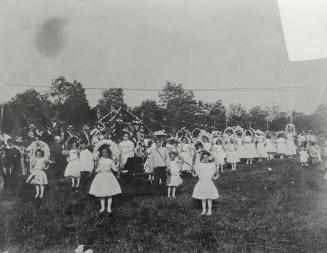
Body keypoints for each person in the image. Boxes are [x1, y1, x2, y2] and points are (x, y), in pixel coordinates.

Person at [89, 145, 121, 213]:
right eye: (103, 152)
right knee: (101, 193)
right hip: (100, 177)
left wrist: (117, 166)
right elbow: (96, 171)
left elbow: (115, 170)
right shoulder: (99, 161)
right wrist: (95, 166)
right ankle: (103, 207)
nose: (105, 154)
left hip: (109, 177)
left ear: (108, 153)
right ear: (101, 153)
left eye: (106, 152)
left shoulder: (110, 161)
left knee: (109, 193)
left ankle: (109, 207)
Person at [192, 151, 219, 216]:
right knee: (203, 197)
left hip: (208, 182)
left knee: (209, 197)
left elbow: (214, 175)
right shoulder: (200, 165)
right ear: (202, 158)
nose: (205, 159)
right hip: (201, 182)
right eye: (204, 157)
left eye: (207, 157)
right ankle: (204, 209)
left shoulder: (211, 165)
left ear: (209, 158)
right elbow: (197, 173)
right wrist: (195, 171)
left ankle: (209, 209)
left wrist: (216, 172)